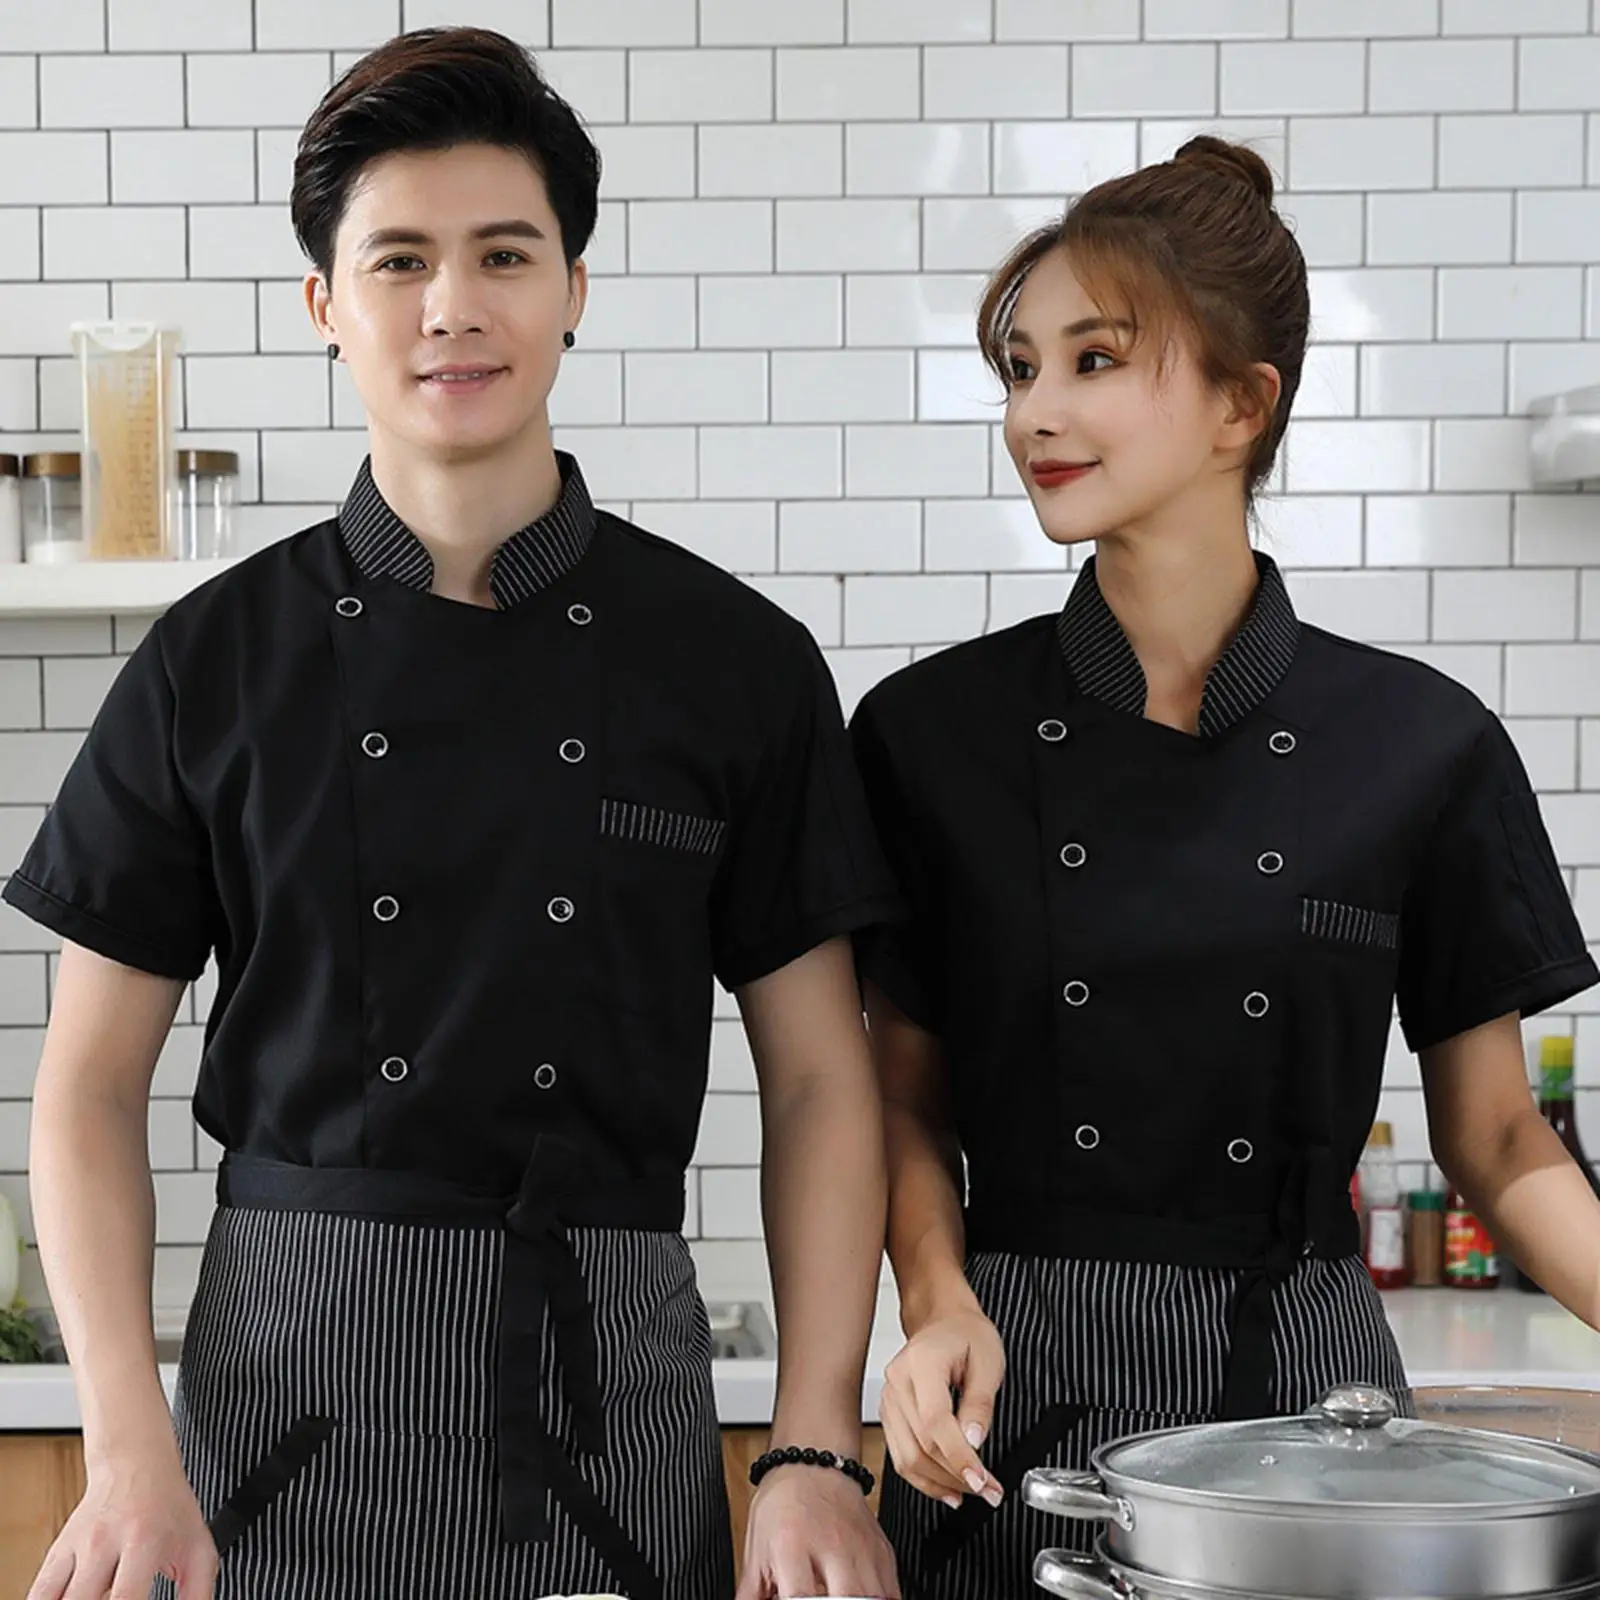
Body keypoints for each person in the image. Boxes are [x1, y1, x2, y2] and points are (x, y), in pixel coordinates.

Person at [10, 29, 901, 1600]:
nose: (453, 306)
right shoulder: (212, 661)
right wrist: (127, 1453)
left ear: (572, 286)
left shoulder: (735, 663)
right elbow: (84, 1091)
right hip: (275, 1419)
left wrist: (816, 1442)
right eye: (401, 259)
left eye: (505, 253)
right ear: (325, 304)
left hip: (607, 1386)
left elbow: (826, 1087)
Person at [848, 136, 1600, 1598]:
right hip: (1011, 1399)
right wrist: (931, 1304)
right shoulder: (930, 736)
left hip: (1308, 1420)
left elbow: (1503, 1146)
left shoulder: (1419, 743)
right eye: (1019, 367)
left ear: (1240, 405)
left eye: (1094, 359)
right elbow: (898, 1097)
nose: (1036, 412)